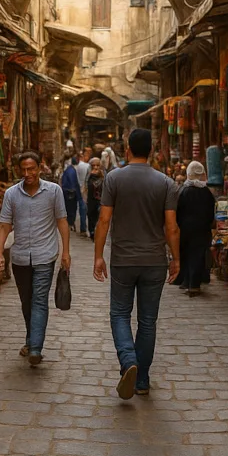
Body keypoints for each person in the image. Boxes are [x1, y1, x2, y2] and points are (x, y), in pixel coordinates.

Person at [93, 128, 179, 399]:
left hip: (123, 260)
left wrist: (97, 256)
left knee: (119, 314)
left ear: (127, 149)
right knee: (148, 321)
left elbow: (104, 220)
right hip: (154, 261)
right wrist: (176, 258)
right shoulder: (166, 183)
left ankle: (128, 360)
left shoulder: (114, 179)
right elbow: (171, 227)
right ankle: (141, 379)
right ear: (151, 151)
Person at [0, 152, 70, 365]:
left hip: (45, 255)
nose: (28, 174)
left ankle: (35, 348)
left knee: (38, 300)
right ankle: (31, 338)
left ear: (40, 167)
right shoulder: (11, 194)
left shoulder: (54, 191)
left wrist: (66, 252)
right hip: (19, 257)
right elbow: (4, 225)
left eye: (32, 169)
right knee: (27, 301)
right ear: (19, 170)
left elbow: (62, 221)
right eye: (24, 170)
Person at [176, 161, 217, 296]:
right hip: (201, 229)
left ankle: (187, 281)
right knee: (198, 255)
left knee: (186, 254)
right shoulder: (206, 193)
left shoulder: (183, 191)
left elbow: (178, 211)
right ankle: (194, 284)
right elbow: (211, 213)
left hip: (185, 229)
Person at [75, 147, 92, 237]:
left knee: (82, 209)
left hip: (80, 189)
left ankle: (83, 228)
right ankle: (85, 228)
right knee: (85, 210)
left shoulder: (78, 166)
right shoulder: (86, 166)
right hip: (86, 190)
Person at [60, 156, 81, 231]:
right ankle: (70, 223)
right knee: (71, 209)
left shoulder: (69, 170)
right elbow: (72, 183)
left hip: (68, 193)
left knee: (69, 209)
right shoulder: (71, 170)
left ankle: (70, 223)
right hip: (70, 193)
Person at [86, 157, 104, 236]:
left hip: (100, 201)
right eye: (93, 165)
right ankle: (92, 231)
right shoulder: (89, 176)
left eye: (97, 165)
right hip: (91, 201)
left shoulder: (103, 176)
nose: (96, 167)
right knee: (91, 216)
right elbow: (87, 187)